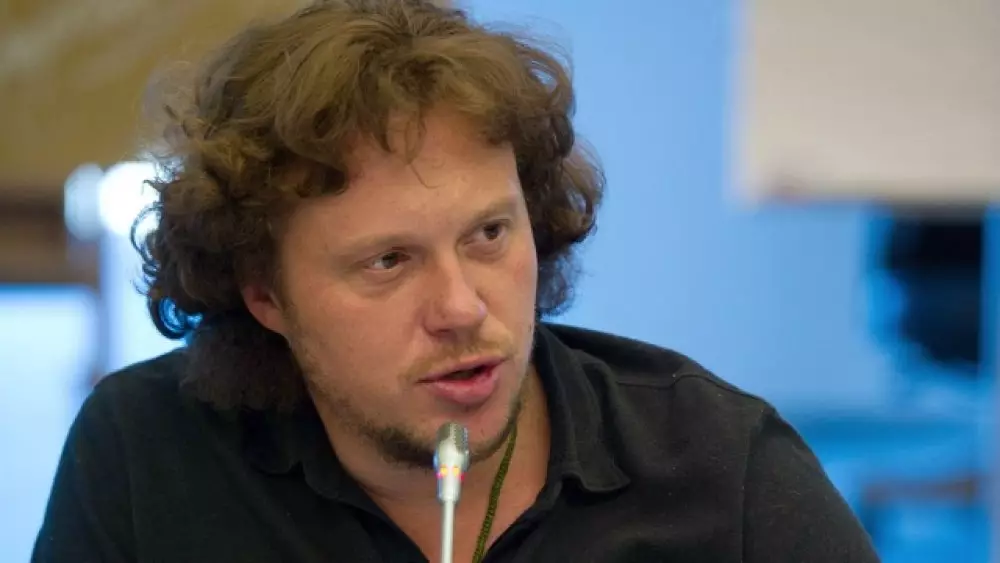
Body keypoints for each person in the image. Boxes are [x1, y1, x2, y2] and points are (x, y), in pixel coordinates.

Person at [32, 1, 880, 561]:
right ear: (266, 295)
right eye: (388, 261)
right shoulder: (148, 455)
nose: (462, 307)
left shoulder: (721, 470)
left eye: (489, 234)